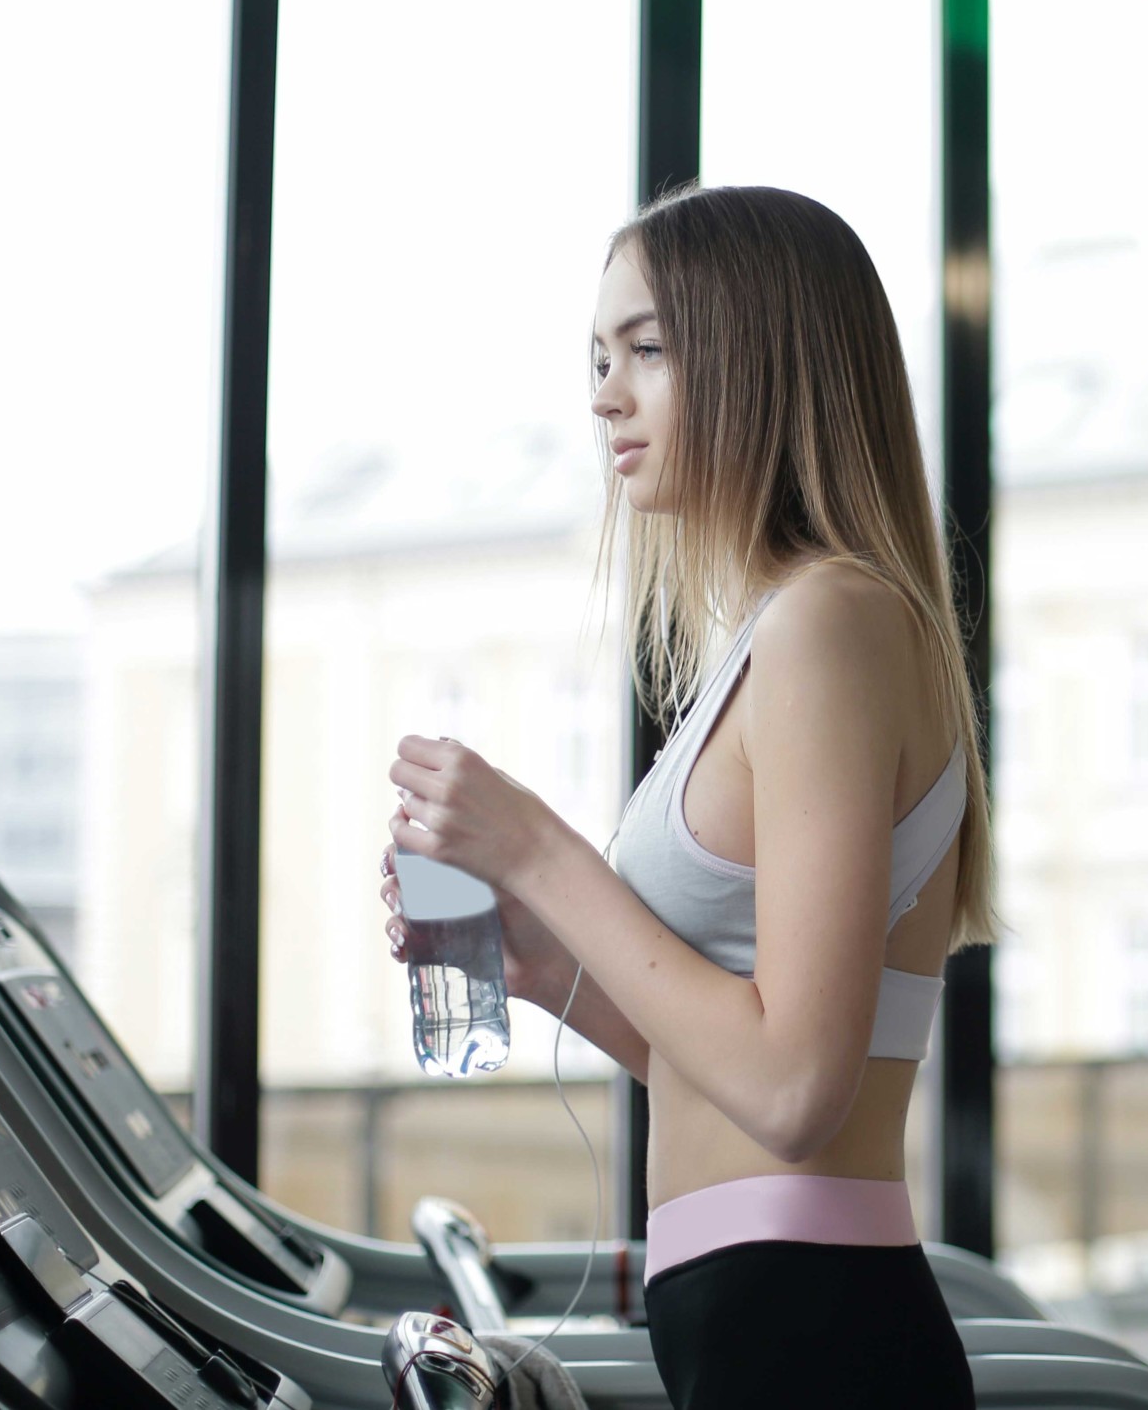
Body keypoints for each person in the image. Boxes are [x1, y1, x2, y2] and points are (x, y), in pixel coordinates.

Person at [378, 185, 993, 1409]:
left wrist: (542, 853)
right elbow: (723, 1065)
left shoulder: (831, 620)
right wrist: (543, 966)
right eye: (598, 359)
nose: (605, 394)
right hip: (759, 1312)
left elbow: (795, 1093)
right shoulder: (779, 634)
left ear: (767, 357)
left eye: (647, 350)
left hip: (812, 1322)